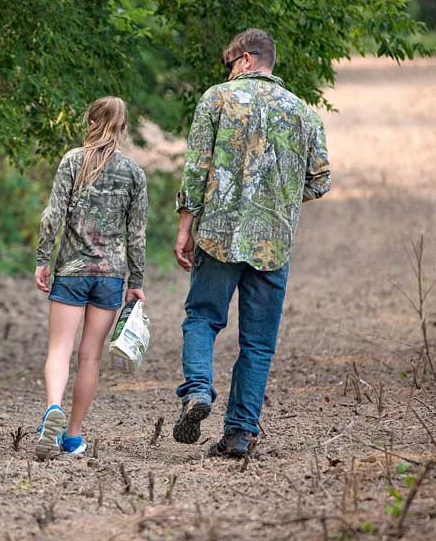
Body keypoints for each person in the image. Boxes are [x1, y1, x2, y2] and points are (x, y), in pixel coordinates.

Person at [172, 28, 331, 458]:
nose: (227, 73)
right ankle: (240, 433)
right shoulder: (301, 111)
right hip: (273, 244)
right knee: (258, 343)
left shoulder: (216, 99)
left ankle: (198, 389)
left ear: (244, 59)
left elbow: (196, 169)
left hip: (220, 234)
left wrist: (185, 226)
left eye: (230, 64)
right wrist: (276, 198)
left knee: (202, 318)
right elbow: (321, 180)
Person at [34, 96, 148, 460]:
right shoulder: (134, 173)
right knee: (90, 359)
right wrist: (136, 280)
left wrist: (42, 258)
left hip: (71, 271)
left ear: (90, 122)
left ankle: (53, 408)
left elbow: (53, 214)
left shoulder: (72, 161)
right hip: (111, 276)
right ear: (124, 128)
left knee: (59, 350)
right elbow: (137, 233)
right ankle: (72, 436)